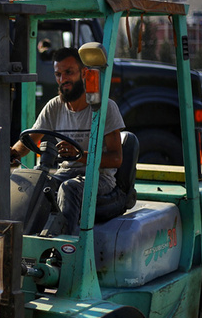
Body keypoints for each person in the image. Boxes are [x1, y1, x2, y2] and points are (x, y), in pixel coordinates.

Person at [10, 47, 125, 234]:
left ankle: (66, 250)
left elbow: (116, 159)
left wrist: (79, 156)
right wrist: (12, 153)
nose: (63, 80)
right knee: (37, 184)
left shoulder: (104, 108)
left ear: (84, 73)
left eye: (69, 72)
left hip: (99, 178)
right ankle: (26, 243)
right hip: (66, 173)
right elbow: (28, 142)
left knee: (69, 188)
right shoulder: (55, 106)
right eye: (58, 74)